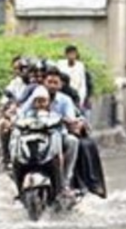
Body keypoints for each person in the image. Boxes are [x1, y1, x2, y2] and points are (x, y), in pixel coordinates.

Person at [20, 68, 81, 197]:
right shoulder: (35, 96)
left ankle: (64, 181)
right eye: (49, 82)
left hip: (57, 135)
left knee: (72, 141)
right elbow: (21, 112)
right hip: (34, 134)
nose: (52, 85)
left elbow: (71, 119)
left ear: (60, 85)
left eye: (55, 82)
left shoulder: (65, 100)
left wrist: (69, 122)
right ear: (44, 82)